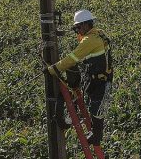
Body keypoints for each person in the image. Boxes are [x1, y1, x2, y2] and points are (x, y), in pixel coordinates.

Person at [47, 9, 113, 146]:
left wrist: (54, 69)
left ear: (84, 25)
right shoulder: (98, 33)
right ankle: (95, 132)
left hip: (99, 79)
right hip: (100, 76)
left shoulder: (90, 40)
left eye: (77, 28)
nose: (77, 31)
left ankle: (96, 136)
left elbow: (73, 58)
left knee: (97, 107)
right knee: (95, 104)